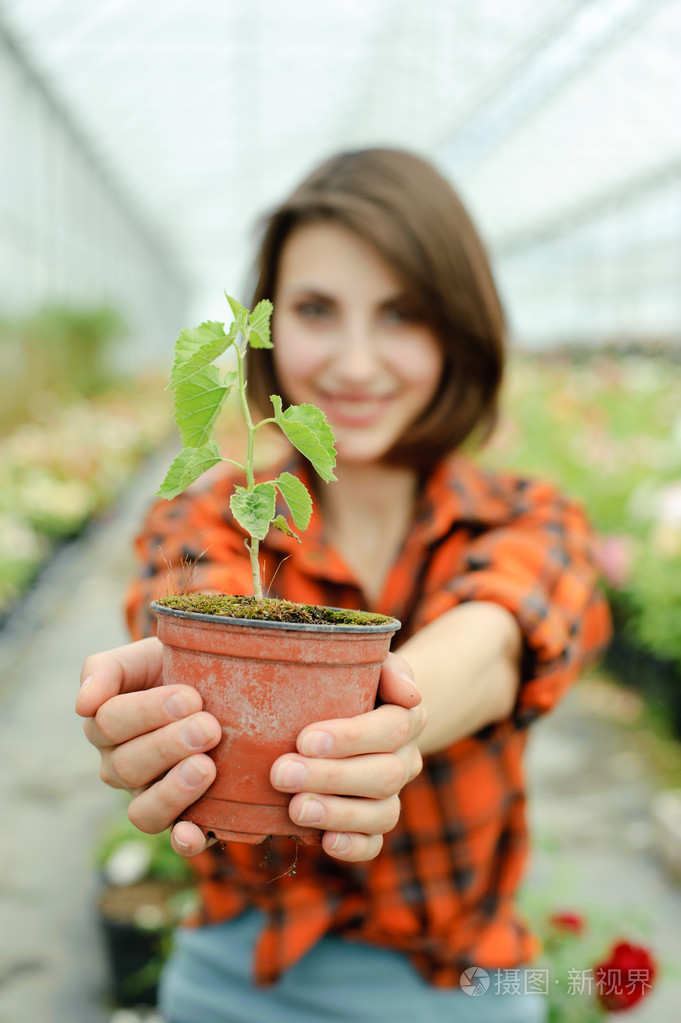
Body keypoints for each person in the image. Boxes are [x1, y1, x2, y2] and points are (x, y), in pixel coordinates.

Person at [77, 148, 611, 1023]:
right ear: (267, 326)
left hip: (462, 986)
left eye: (401, 312)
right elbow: (183, 605)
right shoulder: (219, 516)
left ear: (458, 329)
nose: (356, 363)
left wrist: (393, 725)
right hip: (237, 978)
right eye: (317, 310)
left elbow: (497, 636)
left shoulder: (527, 517)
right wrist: (158, 705)